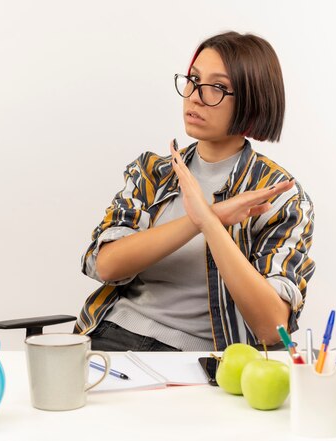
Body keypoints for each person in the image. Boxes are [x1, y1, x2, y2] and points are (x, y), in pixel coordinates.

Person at [75, 31, 315, 352]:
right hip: (112, 333)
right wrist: (203, 218)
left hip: (204, 356)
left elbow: (272, 327)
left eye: (217, 87)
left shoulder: (278, 197)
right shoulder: (154, 172)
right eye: (193, 79)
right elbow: (106, 264)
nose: (195, 96)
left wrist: (212, 227)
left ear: (252, 98)